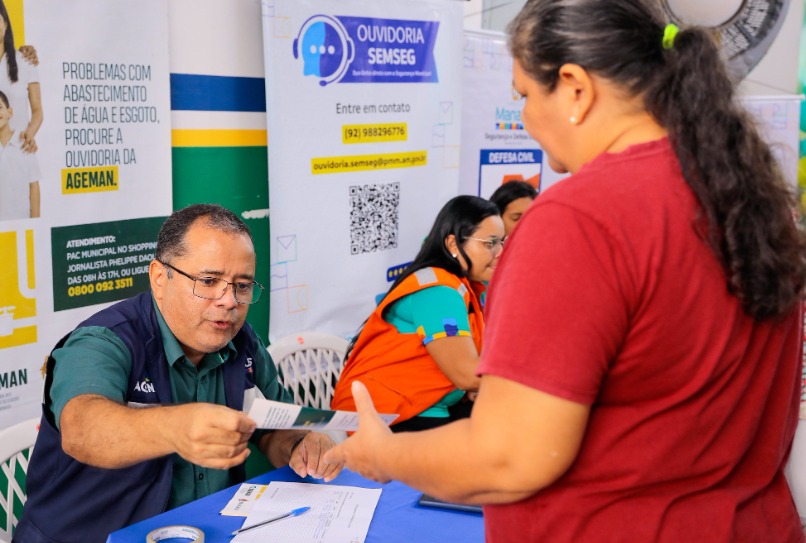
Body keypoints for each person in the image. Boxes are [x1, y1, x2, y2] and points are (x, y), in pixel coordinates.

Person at [324, 1, 806, 541]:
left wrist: (384, 454)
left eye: (525, 95)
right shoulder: (749, 201)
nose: (525, 118)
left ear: (575, 87)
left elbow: (508, 456)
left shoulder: (579, 218)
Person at [15, 204, 343, 543]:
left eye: (242, 285)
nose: (229, 300)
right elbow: (83, 430)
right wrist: (178, 427)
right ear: (160, 278)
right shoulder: (103, 342)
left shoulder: (242, 341)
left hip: (209, 532)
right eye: (209, 281)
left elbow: (274, 431)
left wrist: (300, 445)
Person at [331, 195, 504, 432]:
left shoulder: (463, 286)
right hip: (383, 416)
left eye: (501, 242)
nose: (500, 252)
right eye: (490, 243)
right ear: (453, 245)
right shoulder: (438, 292)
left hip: (423, 406)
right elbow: (466, 374)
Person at [0, 0, 42, 154]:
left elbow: (37, 110)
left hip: (19, 151)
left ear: (5, 23)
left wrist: (29, 134)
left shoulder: (25, 61)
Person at [0, 90, 39, 219]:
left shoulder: (25, 143)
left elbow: (34, 186)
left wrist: (36, 223)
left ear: (9, 112)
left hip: (21, 223)